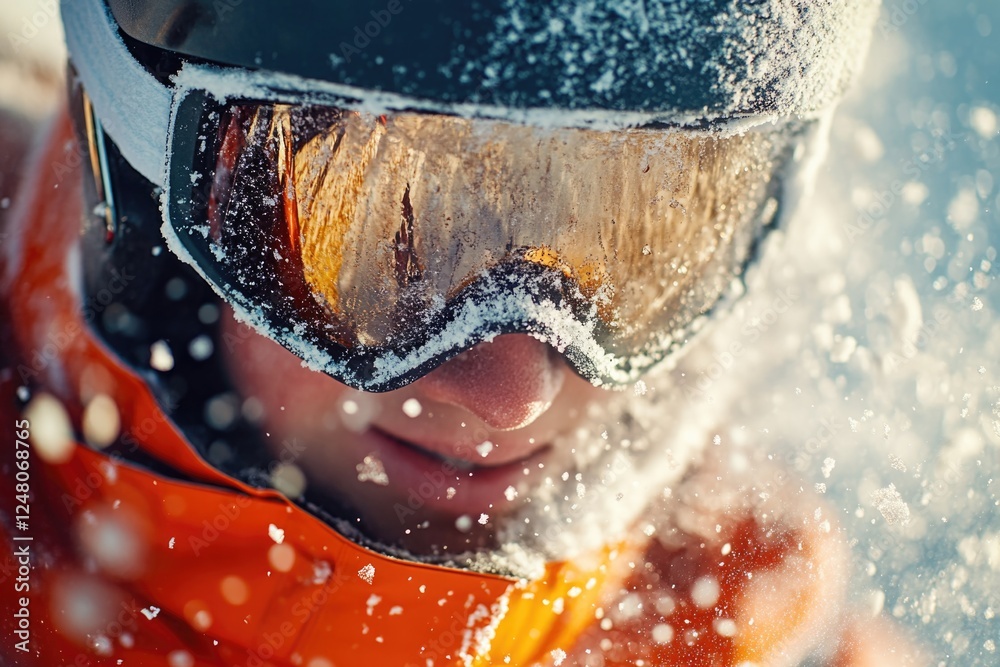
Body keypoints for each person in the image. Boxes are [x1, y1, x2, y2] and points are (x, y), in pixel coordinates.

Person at [0, 0, 924, 665]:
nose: (511, 394)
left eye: (642, 236)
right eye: (370, 227)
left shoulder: (735, 612)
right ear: (142, 192)